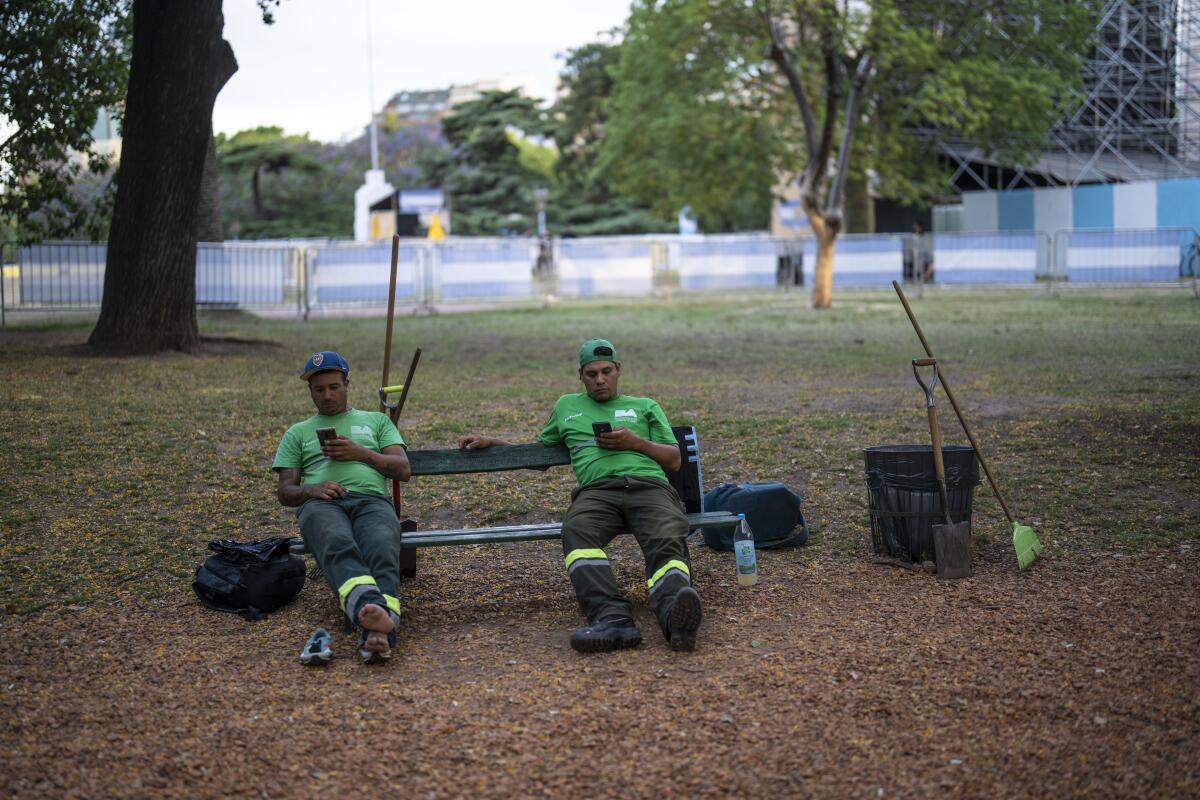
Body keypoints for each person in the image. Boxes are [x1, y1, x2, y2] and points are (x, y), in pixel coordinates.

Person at [459, 339, 703, 653]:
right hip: (597, 493)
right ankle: (611, 617)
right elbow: (540, 456)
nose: (599, 379)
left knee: (666, 536)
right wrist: (491, 441)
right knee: (577, 532)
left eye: (605, 371)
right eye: (591, 374)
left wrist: (634, 443)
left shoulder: (645, 405)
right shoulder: (566, 406)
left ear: (618, 369)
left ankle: (674, 615)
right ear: (580, 376)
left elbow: (673, 460)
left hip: (649, 487)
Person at [272, 351, 412, 664]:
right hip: (321, 504)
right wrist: (311, 489)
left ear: (347, 384)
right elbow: (286, 491)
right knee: (337, 542)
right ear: (310, 392)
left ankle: (374, 625)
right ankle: (379, 629)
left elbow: (403, 469)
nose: (327, 395)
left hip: (371, 500)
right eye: (319, 390)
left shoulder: (376, 421)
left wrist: (360, 453)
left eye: (334, 387)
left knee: (381, 547)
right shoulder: (297, 432)